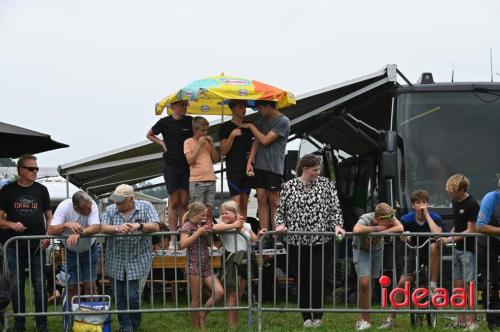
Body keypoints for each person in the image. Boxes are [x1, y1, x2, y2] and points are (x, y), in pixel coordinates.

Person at [274, 154, 345, 328]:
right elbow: (279, 212)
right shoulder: (288, 186)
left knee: (318, 278)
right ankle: (306, 317)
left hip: (322, 240)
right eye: (314, 170)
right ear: (305, 169)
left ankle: (318, 316)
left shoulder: (327, 185)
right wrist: (280, 225)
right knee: (302, 279)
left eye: (318, 170)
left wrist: (337, 225)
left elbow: (335, 209)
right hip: (296, 242)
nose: (317, 173)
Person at [0, 154, 52, 332]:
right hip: (13, 245)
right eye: (31, 168)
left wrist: (48, 235)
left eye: (36, 168)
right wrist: (11, 224)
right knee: (17, 285)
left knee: (39, 284)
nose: (35, 172)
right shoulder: (7, 191)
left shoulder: (42, 190)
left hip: (37, 244)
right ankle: (19, 323)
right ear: (20, 170)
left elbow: (49, 216)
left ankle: (42, 324)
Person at [378, 190, 443, 329]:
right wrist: (403, 233)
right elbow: (397, 230)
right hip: (413, 251)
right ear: (413, 205)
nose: (421, 205)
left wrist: (427, 215)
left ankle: (433, 284)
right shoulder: (407, 219)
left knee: (435, 246)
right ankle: (390, 318)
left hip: (431, 253)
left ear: (428, 204)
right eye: (418, 203)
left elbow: (438, 234)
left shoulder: (435, 217)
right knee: (403, 282)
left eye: (424, 202)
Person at [100, 184, 160, 332]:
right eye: (116, 200)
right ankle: (125, 326)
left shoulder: (146, 206)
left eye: (120, 201)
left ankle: (134, 322)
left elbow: (156, 226)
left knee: (132, 295)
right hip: (116, 259)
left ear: (131, 199)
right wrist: (117, 228)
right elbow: (102, 227)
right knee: (119, 296)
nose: (117, 204)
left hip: (138, 259)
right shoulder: (110, 209)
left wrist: (138, 225)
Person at [213, 200, 267, 328]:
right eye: (222, 213)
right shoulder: (222, 226)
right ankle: (232, 327)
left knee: (238, 295)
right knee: (231, 295)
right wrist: (234, 225)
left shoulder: (246, 225)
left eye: (227, 213)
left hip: (245, 261)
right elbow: (214, 228)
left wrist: (259, 235)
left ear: (235, 213)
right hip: (231, 262)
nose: (223, 216)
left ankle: (234, 324)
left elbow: (254, 240)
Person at [147, 99, 193, 249]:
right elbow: (149, 134)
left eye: (185, 105)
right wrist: (161, 143)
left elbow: (197, 135)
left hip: (186, 164)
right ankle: (173, 239)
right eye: (181, 105)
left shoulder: (190, 121)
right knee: (173, 201)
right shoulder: (164, 122)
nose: (184, 108)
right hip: (171, 164)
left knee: (184, 202)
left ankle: (184, 236)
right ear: (173, 107)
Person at [352, 202, 403, 331]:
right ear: (379, 219)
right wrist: (375, 230)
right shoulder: (366, 218)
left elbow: (400, 227)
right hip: (361, 251)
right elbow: (356, 230)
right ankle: (363, 320)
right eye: (388, 222)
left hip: (377, 251)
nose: (391, 221)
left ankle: (366, 316)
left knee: (372, 283)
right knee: (364, 283)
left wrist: (381, 233)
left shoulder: (388, 217)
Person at [437, 174, 480, 330]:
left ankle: (473, 321)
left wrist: (450, 240)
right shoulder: (455, 201)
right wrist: (450, 236)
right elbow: (458, 225)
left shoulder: (472, 204)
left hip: (469, 251)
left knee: (470, 285)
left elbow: (470, 230)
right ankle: (460, 319)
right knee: (458, 285)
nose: (450, 194)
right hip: (457, 249)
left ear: (462, 189)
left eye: (453, 191)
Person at [242, 100, 290, 231]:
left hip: (274, 166)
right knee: (261, 199)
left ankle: (276, 234)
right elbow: (257, 141)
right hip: (259, 165)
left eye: (260, 108)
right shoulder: (263, 120)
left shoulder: (283, 121)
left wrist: (252, 127)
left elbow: (265, 140)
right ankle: (264, 234)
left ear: (269, 106)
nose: (259, 112)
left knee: (274, 200)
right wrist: (250, 161)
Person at [47, 191, 101, 305]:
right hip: (69, 251)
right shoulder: (64, 207)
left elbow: (96, 227)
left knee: (90, 285)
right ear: (76, 207)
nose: (90, 210)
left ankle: (93, 317)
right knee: (71, 286)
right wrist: (66, 224)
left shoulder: (91, 204)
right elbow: (51, 230)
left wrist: (81, 233)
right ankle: (73, 316)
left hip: (90, 249)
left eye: (90, 207)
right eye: (86, 209)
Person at [179, 202, 223, 329]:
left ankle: (202, 314)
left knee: (219, 292)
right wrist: (198, 232)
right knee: (196, 298)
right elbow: (183, 244)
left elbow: (209, 244)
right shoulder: (187, 225)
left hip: (205, 263)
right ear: (194, 214)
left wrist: (208, 233)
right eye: (202, 215)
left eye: (206, 215)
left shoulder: (201, 225)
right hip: (194, 264)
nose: (205, 217)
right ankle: (196, 327)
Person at [219, 100, 254, 218]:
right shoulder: (225, 127)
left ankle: (243, 231)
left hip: (247, 167)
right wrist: (232, 135)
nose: (244, 109)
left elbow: (258, 142)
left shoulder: (249, 125)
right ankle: (236, 230)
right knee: (236, 203)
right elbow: (223, 151)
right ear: (232, 109)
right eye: (240, 107)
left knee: (244, 202)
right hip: (233, 168)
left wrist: (253, 155)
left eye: (244, 107)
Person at [475, 179, 500, 331]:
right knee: (491, 282)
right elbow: (480, 226)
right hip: (489, 246)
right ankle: (492, 318)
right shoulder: (491, 198)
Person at [184, 116, 218, 220]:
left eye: (207, 130)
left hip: (211, 179)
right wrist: (199, 144)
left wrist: (211, 145)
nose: (205, 133)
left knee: (209, 211)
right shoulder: (188, 142)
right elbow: (190, 161)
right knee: (197, 211)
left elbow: (215, 159)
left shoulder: (207, 142)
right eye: (202, 130)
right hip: (197, 181)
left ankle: (207, 234)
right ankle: (195, 234)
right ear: (194, 129)